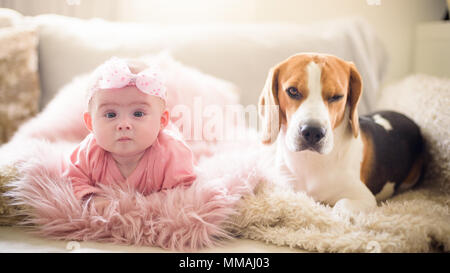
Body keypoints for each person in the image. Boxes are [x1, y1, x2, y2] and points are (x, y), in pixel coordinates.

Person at [63, 57, 196, 211]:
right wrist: (91, 198)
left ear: (162, 120)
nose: (124, 124)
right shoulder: (88, 153)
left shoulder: (173, 154)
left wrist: (149, 203)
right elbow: (72, 179)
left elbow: (184, 189)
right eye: (111, 115)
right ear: (90, 123)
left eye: (138, 114)